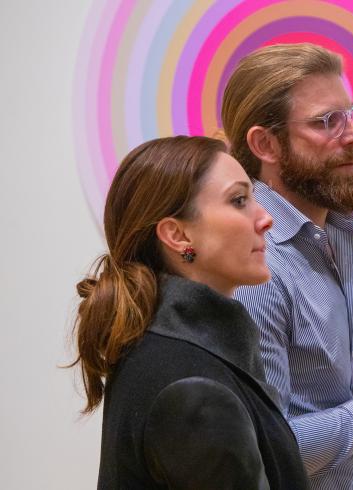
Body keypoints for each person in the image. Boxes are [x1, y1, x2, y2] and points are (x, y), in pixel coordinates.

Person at [70, 136, 309, 489]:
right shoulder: (193, 390)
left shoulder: (168, 351)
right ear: (178, 235)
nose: (265, 219)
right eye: (239, 200)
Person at [222, 43, 353, 489]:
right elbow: (269, 450)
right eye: (327, 122)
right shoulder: (256, 268)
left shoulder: (352, 249)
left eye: (352, 114)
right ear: (265, 144)